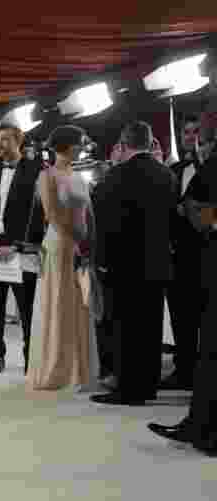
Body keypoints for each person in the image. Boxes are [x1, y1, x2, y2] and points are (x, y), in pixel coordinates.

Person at [92, 121, 175, 406]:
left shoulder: (114, 177)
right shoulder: (166, 175)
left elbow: (103, 224)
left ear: (123, 144)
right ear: (150, 143)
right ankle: (148, 385)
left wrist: (101, 261)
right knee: (150, 327)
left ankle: (128, 389)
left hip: (122, 265)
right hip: (157, 262)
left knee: (124, 328)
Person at [148, 116, 217, 455]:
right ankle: (198, 424)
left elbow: (199, 213)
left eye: (202, 137)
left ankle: (203, 428)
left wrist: (200, 214)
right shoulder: (195, 169)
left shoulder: (210, 166)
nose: (198, 143)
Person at [26, 126, 94, 391]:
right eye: (80, 143)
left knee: (79, 303)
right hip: (59, 245)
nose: (83, 147)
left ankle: (79, 367)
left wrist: (89, 243)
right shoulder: (47, 176)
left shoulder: (78, 176)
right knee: (58, 301)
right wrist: (76, 241)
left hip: (79, 245)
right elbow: (52, 214)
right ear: (66, 145)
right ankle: (57, 368)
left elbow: (89, 213)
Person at [0, 122, 45, 374]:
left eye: (5, 139)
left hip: (21, 251)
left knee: (27, 310)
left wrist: (17, 245)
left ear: (19, 141)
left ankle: (31, 358)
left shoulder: (34, 170)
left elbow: (37, 214)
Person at [163, 115, 205, 391]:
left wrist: (193, 213)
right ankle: (184, 369)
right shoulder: (175, 169)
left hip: (206, 252)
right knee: (181, 316)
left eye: (195, 131)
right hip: (178, 255)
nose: (190, 137)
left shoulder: (211, 167)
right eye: (186, 132)